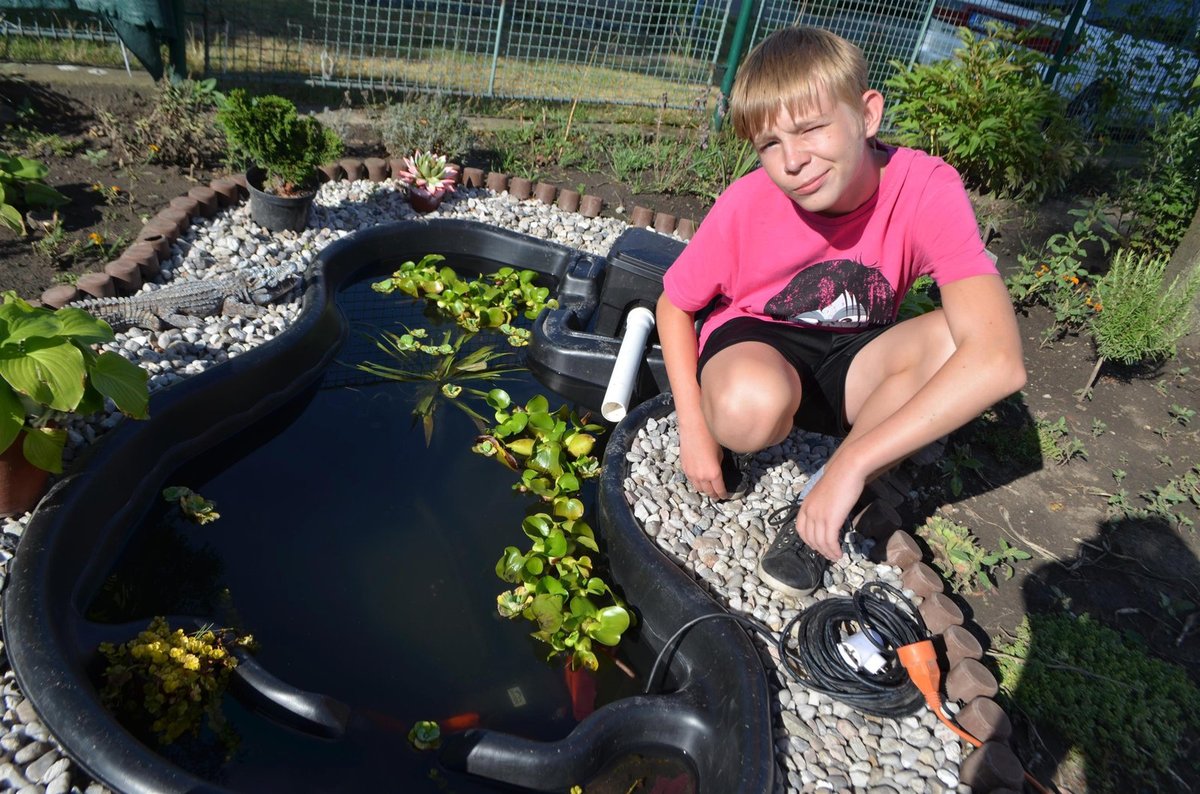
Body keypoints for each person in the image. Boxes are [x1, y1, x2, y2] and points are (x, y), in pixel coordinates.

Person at [656, 26, 1026, 596]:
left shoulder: (925, 188)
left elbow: (999, 360)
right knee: (747, 408)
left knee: (961, 340)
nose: (793, 161)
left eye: (811, 129)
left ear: (867, 114)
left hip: (855, 348)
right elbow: (674, 305)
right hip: (760, 338)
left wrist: (846, 469)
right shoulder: (748, 203)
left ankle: (816, 513)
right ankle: (746, 423)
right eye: (769, 144)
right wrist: (693, 427)